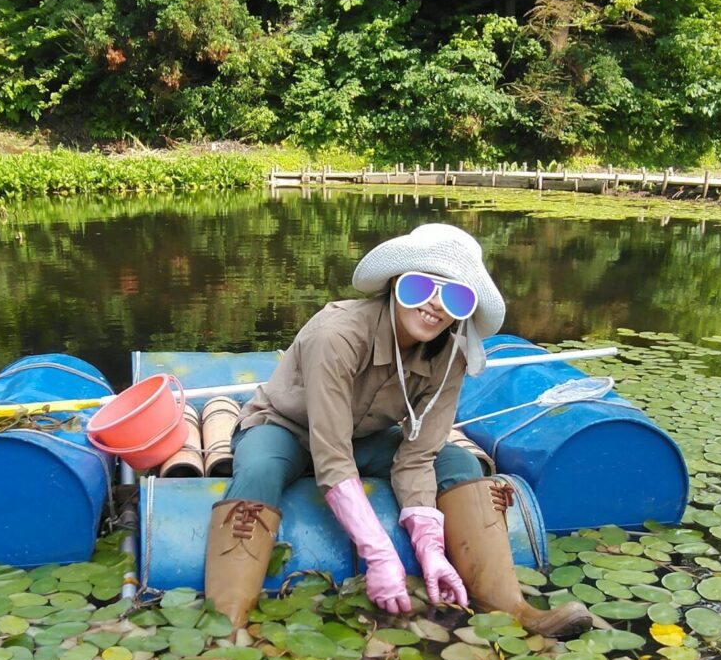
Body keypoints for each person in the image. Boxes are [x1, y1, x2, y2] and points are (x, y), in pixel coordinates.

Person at [202, 223, 593, 638]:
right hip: (284, 428)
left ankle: (511, 607)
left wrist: (431, 551)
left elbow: (418, 455)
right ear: (394, 284)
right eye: (420, 287)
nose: (434, 306)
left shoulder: (452, 356)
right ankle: (228, 619)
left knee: (457, 459)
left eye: (455, 297)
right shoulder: (336, 334)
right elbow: (332, 455)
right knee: (259, 469)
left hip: (366, 439)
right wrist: (379, 553)